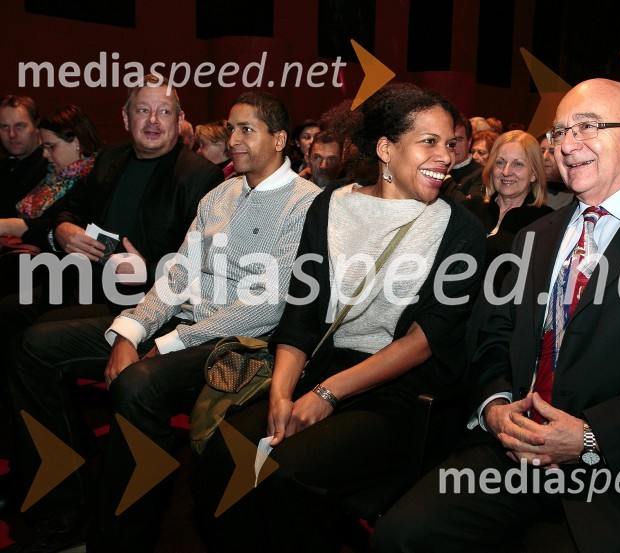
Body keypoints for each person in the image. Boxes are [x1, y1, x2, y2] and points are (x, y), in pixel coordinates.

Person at [374, 78, 620, 553]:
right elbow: (493, 336)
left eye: (587, 126)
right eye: (559, 131)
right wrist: (495, 407)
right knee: (400, 536)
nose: (567, 145)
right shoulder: (535, 236)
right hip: (512, 454)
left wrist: (591, 437)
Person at [6, 91, 319, 552]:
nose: (233, 139)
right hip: (181, 324)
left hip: (241, 343)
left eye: (246, 129)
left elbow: (266, 306)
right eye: (230, 127)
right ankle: (64, 509)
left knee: (138, 385)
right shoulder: (221, 193)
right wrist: (132, 330)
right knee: (32, 346)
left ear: (279, 139)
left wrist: (170, 342)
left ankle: (119, 540)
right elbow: (177, 273)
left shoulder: (304, 203)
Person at [190, 83, 485, 552]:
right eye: (429, 142)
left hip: (394, 391)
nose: (445, 156)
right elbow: (302, 313)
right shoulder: (330, 206)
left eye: (450, 144)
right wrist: (282, 395)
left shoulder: (461, 228)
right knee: (221, 455)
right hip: (317, 368)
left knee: (285, 476)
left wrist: (327, 394)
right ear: (387, 148)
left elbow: (422, 340)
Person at [0, 74, 223, 548]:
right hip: (89, 287)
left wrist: (148, 268)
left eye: (165, 111)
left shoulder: (198, 176)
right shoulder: (110, 159)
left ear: (180, 120)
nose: (153, 121)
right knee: (11, 317)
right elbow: (65, 210)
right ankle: (44, 464)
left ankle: (63, 499)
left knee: (33, 346)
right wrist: (62, 230)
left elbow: (195, 270)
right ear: (124, 118)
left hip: (150, 305)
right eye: (142, 110)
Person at [0, 105, 103, 291]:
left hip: (64, 277)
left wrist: (12, 226)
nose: (45, 154)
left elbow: (62, 228)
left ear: (76, 141)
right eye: (44, 146)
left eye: (50, 146)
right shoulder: (49, 174)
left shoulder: (96, 178)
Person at [464, 130, 552, 290]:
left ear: (533, 173)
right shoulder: (469, 211)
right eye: (500, 163)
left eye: (518, 164)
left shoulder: (546, 224)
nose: (506, 171)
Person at [0, 95, 48, 217]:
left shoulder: (52, 167)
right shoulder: (4, 165)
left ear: (36, 126)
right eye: (4, 127)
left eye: (19, 126)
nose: (11, 134)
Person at [539, 132, 575, 210]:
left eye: (552, 152)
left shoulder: (576, 196)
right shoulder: (526, 186)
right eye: (542, 151)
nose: (545, 157)